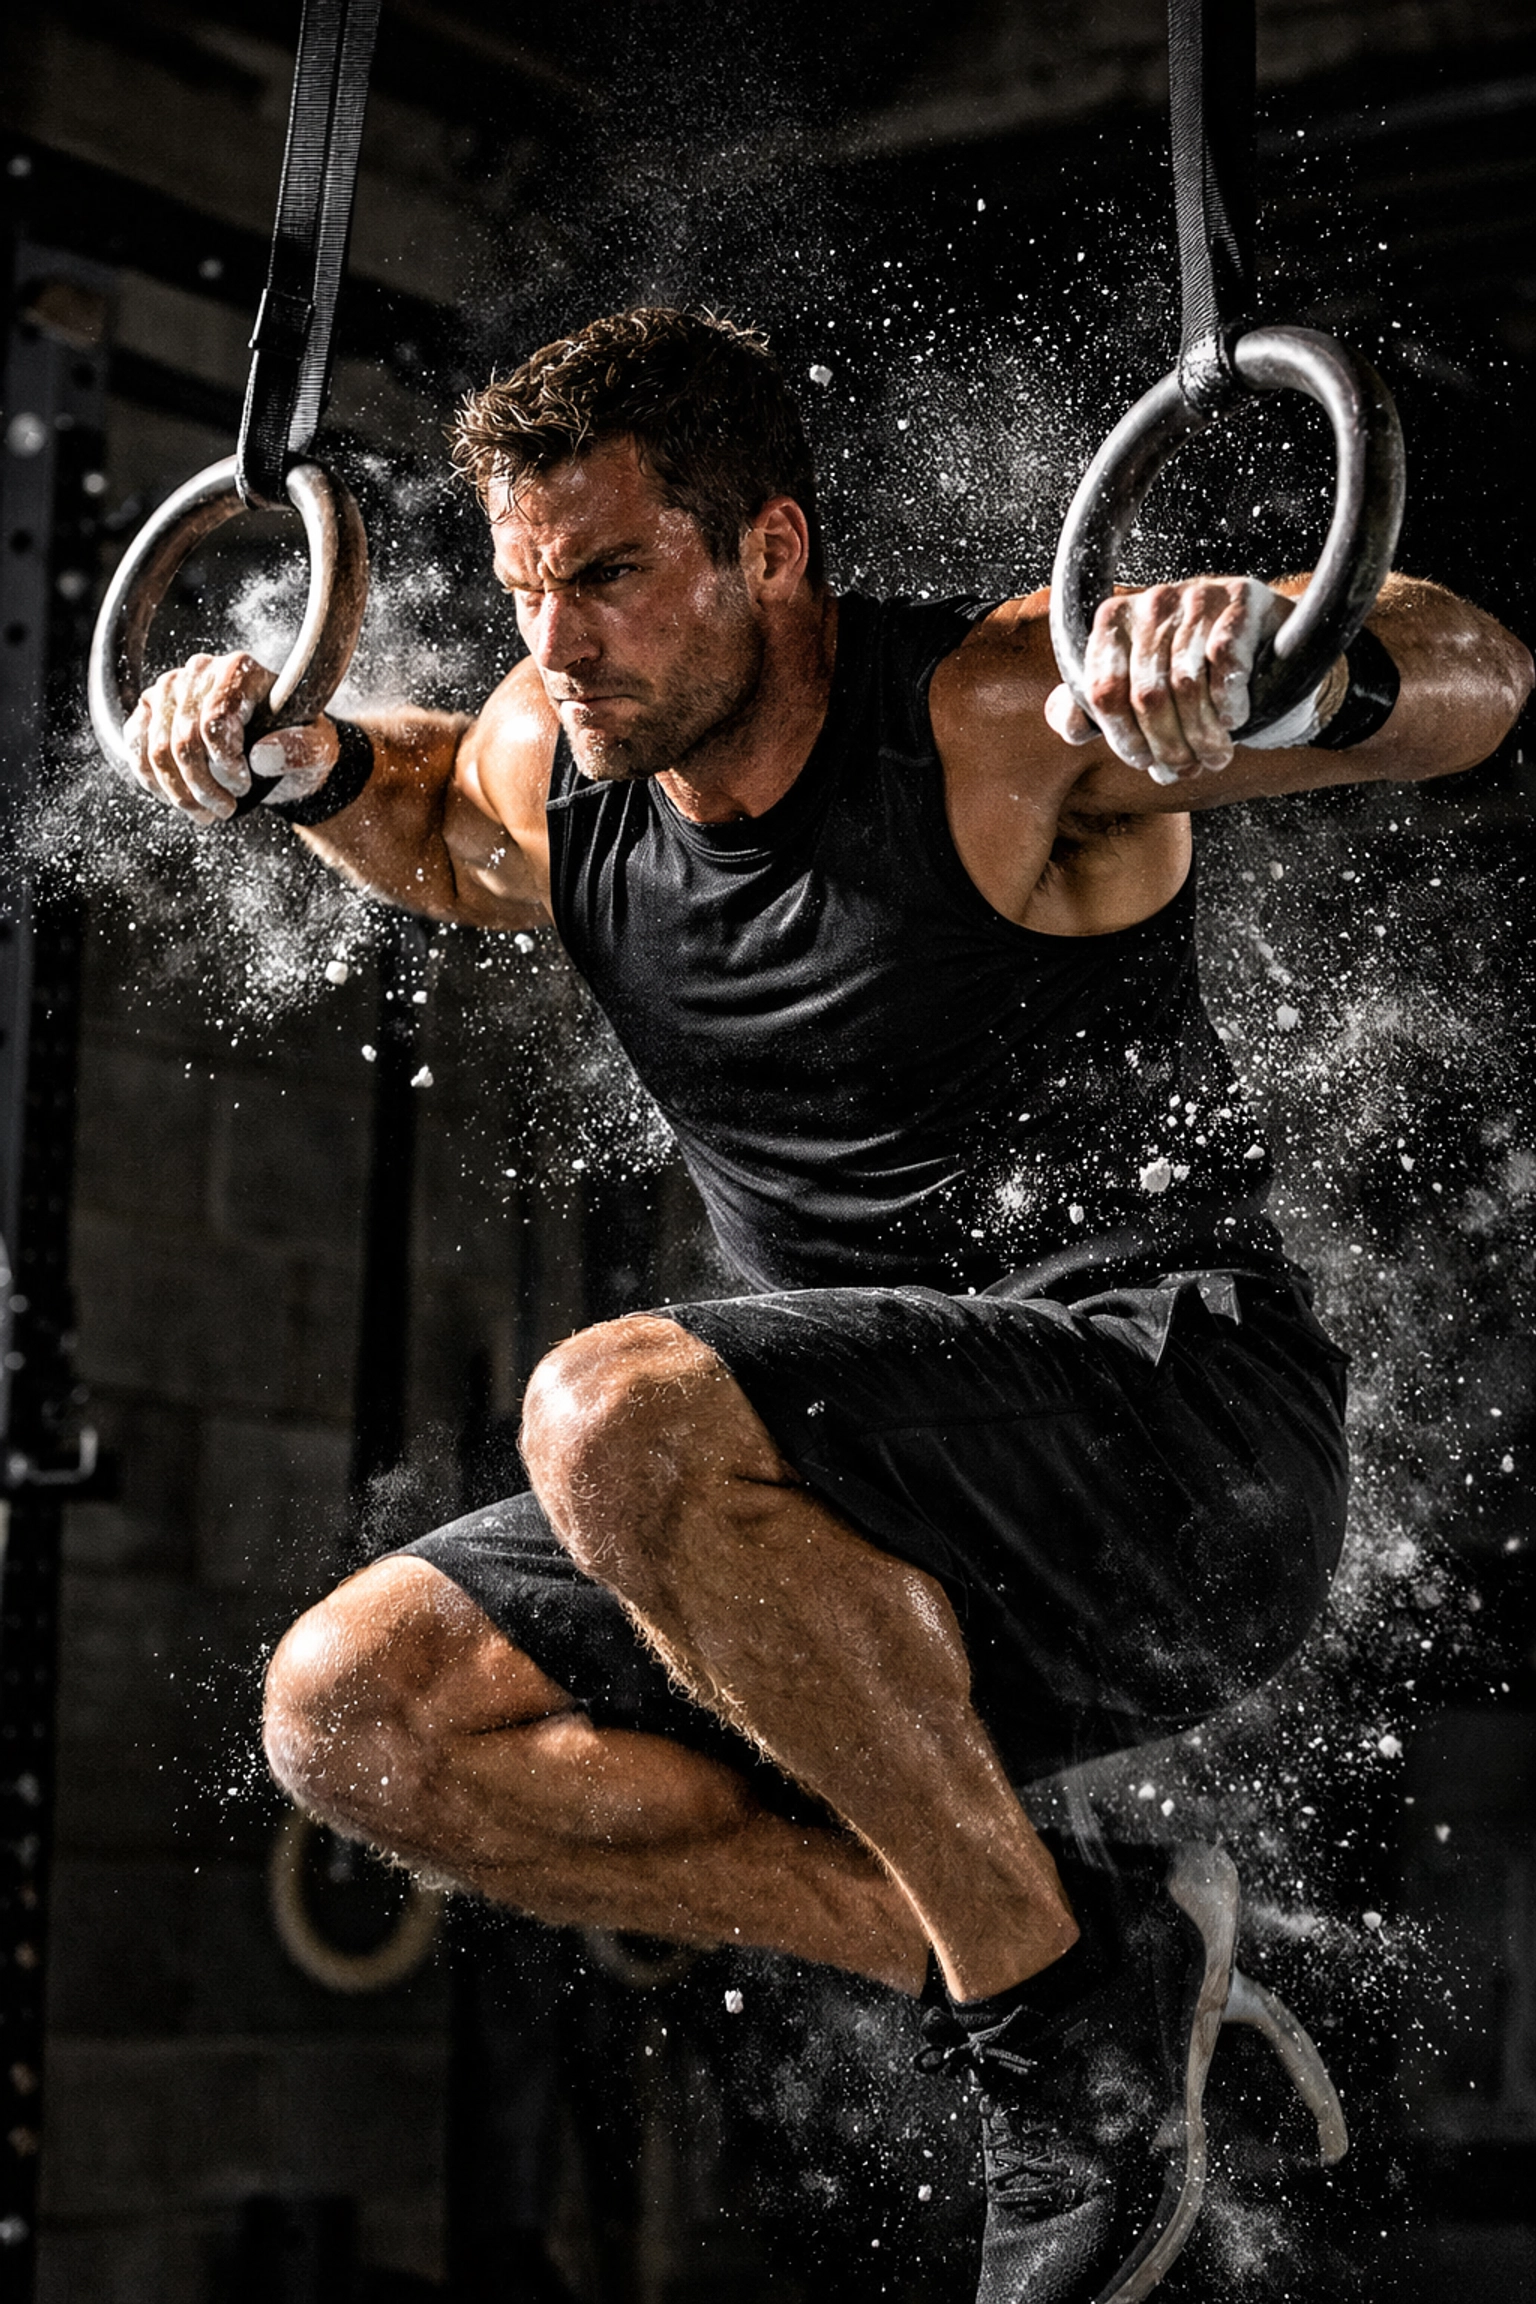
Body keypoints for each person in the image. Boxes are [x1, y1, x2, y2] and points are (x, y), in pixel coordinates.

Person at [126, 307, 1531, 2301]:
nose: (560, 642)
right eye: (533, 592)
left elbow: (1484, 676)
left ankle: (1056, 2040)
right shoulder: (567, 757)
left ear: (770, 550)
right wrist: (293, 758)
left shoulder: (992, 711)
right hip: (842, 1554)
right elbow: (434, 822)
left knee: (611, 1408)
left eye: (610, 577)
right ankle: (1069, 1951)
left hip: (1178, 1463)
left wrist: (1254, 658)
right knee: (350, 1720)